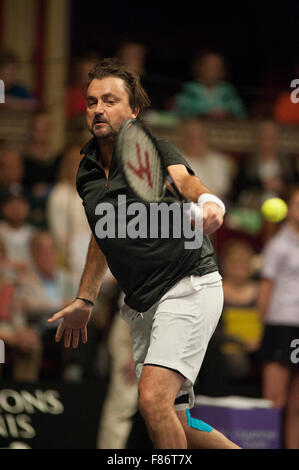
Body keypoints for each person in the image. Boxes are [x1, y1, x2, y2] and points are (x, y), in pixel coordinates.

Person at [48, 58, 240, 449]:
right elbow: (104, 235)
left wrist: (208, 201)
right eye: (91, 101)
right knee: (177, 420)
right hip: (141, 306)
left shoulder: (150, 149)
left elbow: (184, 179)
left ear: (133, 110)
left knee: (153, 401)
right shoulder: (85, 171)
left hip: (188, 287)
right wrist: (86, 297)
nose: (98, 108)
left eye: (109, 100)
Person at [258, 185, 299, 449]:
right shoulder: (277, 245)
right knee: (275, 401)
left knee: (297, 406)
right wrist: (262, 328)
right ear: (289, 209)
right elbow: (265, 290)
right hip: (279, 326)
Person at [175, 51, 246, 119]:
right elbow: (182, 111)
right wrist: (205, 114)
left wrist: (226, 114)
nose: (213, 72)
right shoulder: (190, 89)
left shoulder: (227, 90)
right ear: (199, 68)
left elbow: (239, 112)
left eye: (217, 68)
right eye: (208, 67)